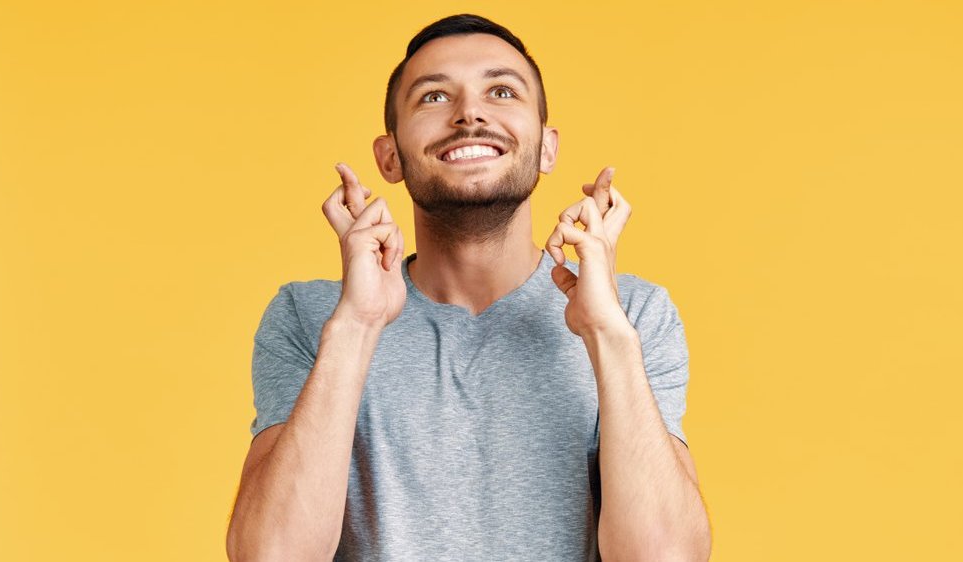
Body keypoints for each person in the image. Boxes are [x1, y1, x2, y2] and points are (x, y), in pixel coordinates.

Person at [226, 13, 711, 562]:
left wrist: (607, 333)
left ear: (547, 148)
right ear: (390, 157)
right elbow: (270, 555)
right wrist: (357, 325)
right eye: (434, 97)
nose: (470, 113)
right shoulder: (309, 316)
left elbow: (664, 556)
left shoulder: (636, 315)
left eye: (501, 91)